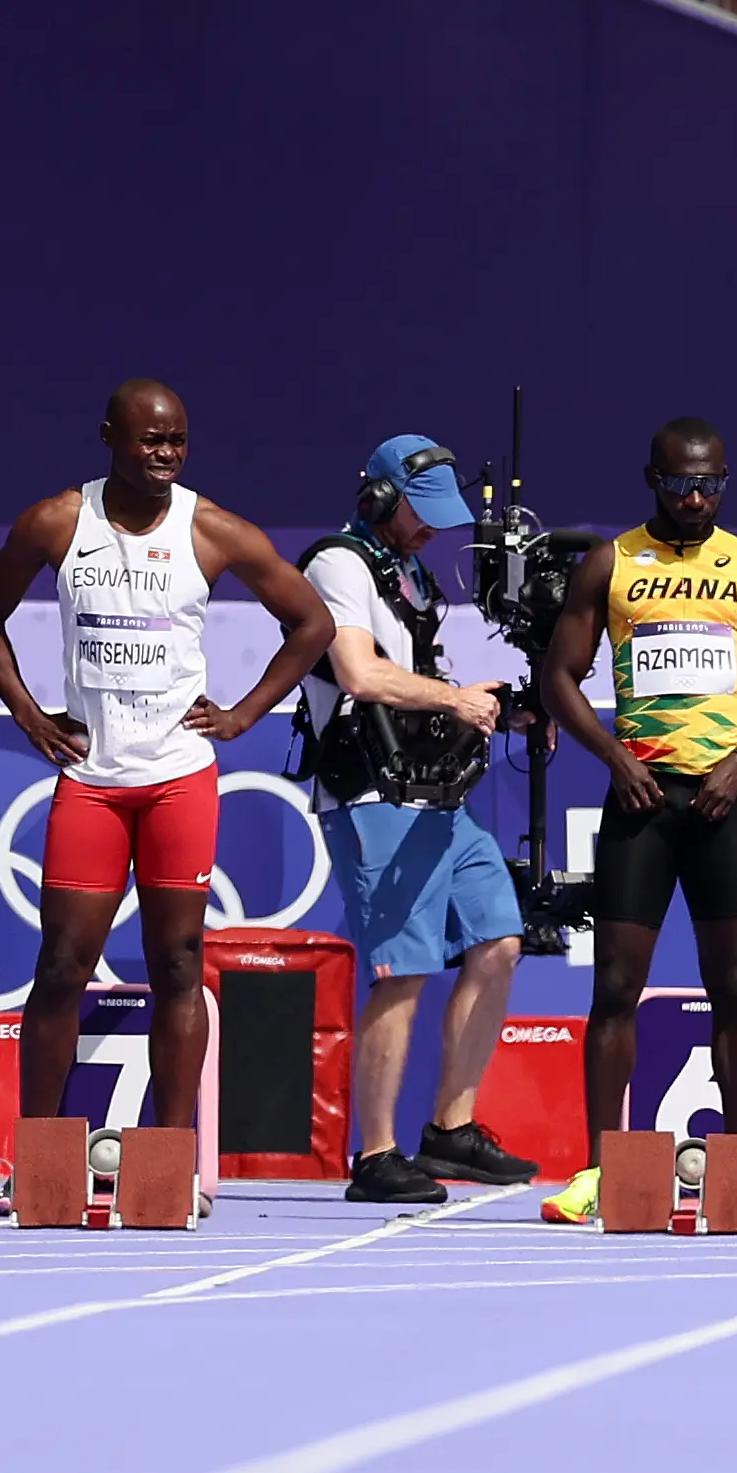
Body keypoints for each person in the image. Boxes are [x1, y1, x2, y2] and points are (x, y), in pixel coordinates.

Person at [0, 383, 332, 1197]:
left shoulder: (212, 528)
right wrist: (29, 715)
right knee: (61, 967)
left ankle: (170, 1165)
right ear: (108, 438)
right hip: (92, 782)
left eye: (178, 441)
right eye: (148, 440)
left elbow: (313, 622)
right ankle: (38, 1161)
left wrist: (242, 714)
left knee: (177, 963)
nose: (164, 453)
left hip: (177, 781)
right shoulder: (59, 521)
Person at [534, 418, 737, 1226]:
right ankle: (597, 1169)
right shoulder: (610, 564)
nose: (696, 499)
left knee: (734, 988)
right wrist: (616, 759)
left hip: (721, 801)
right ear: (651, 478)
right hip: (639, 803)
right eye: (681, 484)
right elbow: (560, 676)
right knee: (615, 988)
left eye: (711, 485)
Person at [290, 436, 536, 1205]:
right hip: (372, 797)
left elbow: (419, 678)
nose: (434, 527)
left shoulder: (413, 572)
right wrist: (452, 698)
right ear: (379, 497)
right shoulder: (336, 564)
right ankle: (376, 1154)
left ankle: (450, 1132)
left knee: (498, 941)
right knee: (403, 972)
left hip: (435, 796)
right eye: (419, 512)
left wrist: (493, 702)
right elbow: (360, 672)